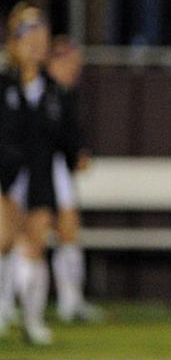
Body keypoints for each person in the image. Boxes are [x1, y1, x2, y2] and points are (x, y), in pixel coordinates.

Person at [0, 7, 83, 345]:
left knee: (35, 244)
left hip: (39, 174)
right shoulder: (4, 83)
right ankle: (3, 309)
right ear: (14, 43)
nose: (35, 47)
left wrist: (77, 153)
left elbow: (67, 135)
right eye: (28, 40)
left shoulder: (53, 90)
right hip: (5, 174)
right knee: (4, 241)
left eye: (40, 41)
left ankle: (32, 319)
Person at [44, 36, 98, 323]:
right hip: (37, 169)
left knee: (68, 234)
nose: (74, 70)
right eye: (69, 63)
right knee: (22, 237)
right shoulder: (43, 91)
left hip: (56, 169)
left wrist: (79, 151)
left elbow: (72, 133)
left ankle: (71, 301)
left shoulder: (65, 94)